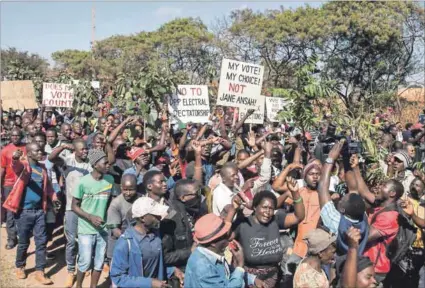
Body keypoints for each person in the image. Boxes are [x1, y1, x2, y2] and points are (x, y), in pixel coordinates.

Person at [231, 178, 305, 287]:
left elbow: (299, 217)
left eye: (271, 208)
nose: (267, 212)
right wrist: (234, 209)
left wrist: (295, 193)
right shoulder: (243, 224)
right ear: (255, 207)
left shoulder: (275, 220)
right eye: (264, 207)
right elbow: (227, 236)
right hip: (249, 280)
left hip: (273, 278)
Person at [4, 143, 60, 284]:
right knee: (23, 242)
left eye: (41, 150)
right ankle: (20, 266)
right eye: (37, 150)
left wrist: (54, 198)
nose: (40, 152)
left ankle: (40, 271)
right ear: (29, 154)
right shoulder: (24, 167)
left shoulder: (42, 169)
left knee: (41, 243)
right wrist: (15, 159)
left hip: (40, 211)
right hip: (24, 212)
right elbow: (15, 166)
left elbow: (47, 188)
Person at [352, 155, 404, 284]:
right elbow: (364, 191)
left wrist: (360, 211)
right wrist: (356, 168)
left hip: (376, 269)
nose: (380, 186)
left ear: (392, 193)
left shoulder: (390, 216)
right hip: (366, 263)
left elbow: (365, 236)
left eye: (384, 186)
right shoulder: (381, 206)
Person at [110, 197, 183, 288]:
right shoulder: (125, 243)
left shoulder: (156, 237)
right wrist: (149, 283)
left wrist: (172, 270)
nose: (160, 217)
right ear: (142, 218)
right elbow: (118, 277)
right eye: (155, 215)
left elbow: (153, 266)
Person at [184, 213, 263, 288]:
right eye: (226, 236)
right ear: (213, 243)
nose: (230, 238)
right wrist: (240, 265)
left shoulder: (211, 254)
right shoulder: (202, 266)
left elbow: (227, 272)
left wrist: (252, 279)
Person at [72, 149, 114, 288]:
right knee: (84, 261)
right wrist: (90, 217)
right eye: (105, 163)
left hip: (102, 229)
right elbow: (74, 206)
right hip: (86, 229)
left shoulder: (110, 180)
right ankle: (78, 285)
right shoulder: (83, 182)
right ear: (95, 165)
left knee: (99, 261)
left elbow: (109, 203)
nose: (108, 165)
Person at [318, 142, 369, 255]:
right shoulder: (362, 219)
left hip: (341, 264)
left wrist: (330, 158)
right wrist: (346, 158)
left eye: (342, 200)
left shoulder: (336, 222)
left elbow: (322, 188)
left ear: (342, 209)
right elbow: (353, 189)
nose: (342, 197)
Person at [160, 179, 206, 287]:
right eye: (197, 193)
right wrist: (190, 251)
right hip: (181, 275)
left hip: (199, 269)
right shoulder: (170, 220)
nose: (201, 196)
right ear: (183, 198)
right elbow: (165, 257)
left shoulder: (198, 210)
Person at [106, 174, 141, 273]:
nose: (128, 193)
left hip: (136, 246)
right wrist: (131, 239)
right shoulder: (116, 204)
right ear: (121, 187)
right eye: (125, 189)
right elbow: (115, 230)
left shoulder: (141, 200)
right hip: (118, 245)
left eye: (131, 189)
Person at [1, 127, 26, 249]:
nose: (15, 137)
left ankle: (23, 235)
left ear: (21, 136)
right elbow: (2, 170)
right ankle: (11, 238)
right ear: (10, 136)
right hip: (9, 185)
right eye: (13, 135)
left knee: (22, 211)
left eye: (17, 135)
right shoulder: (5, 150)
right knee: (10, 213)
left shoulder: (26, 148)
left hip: (24, 183)